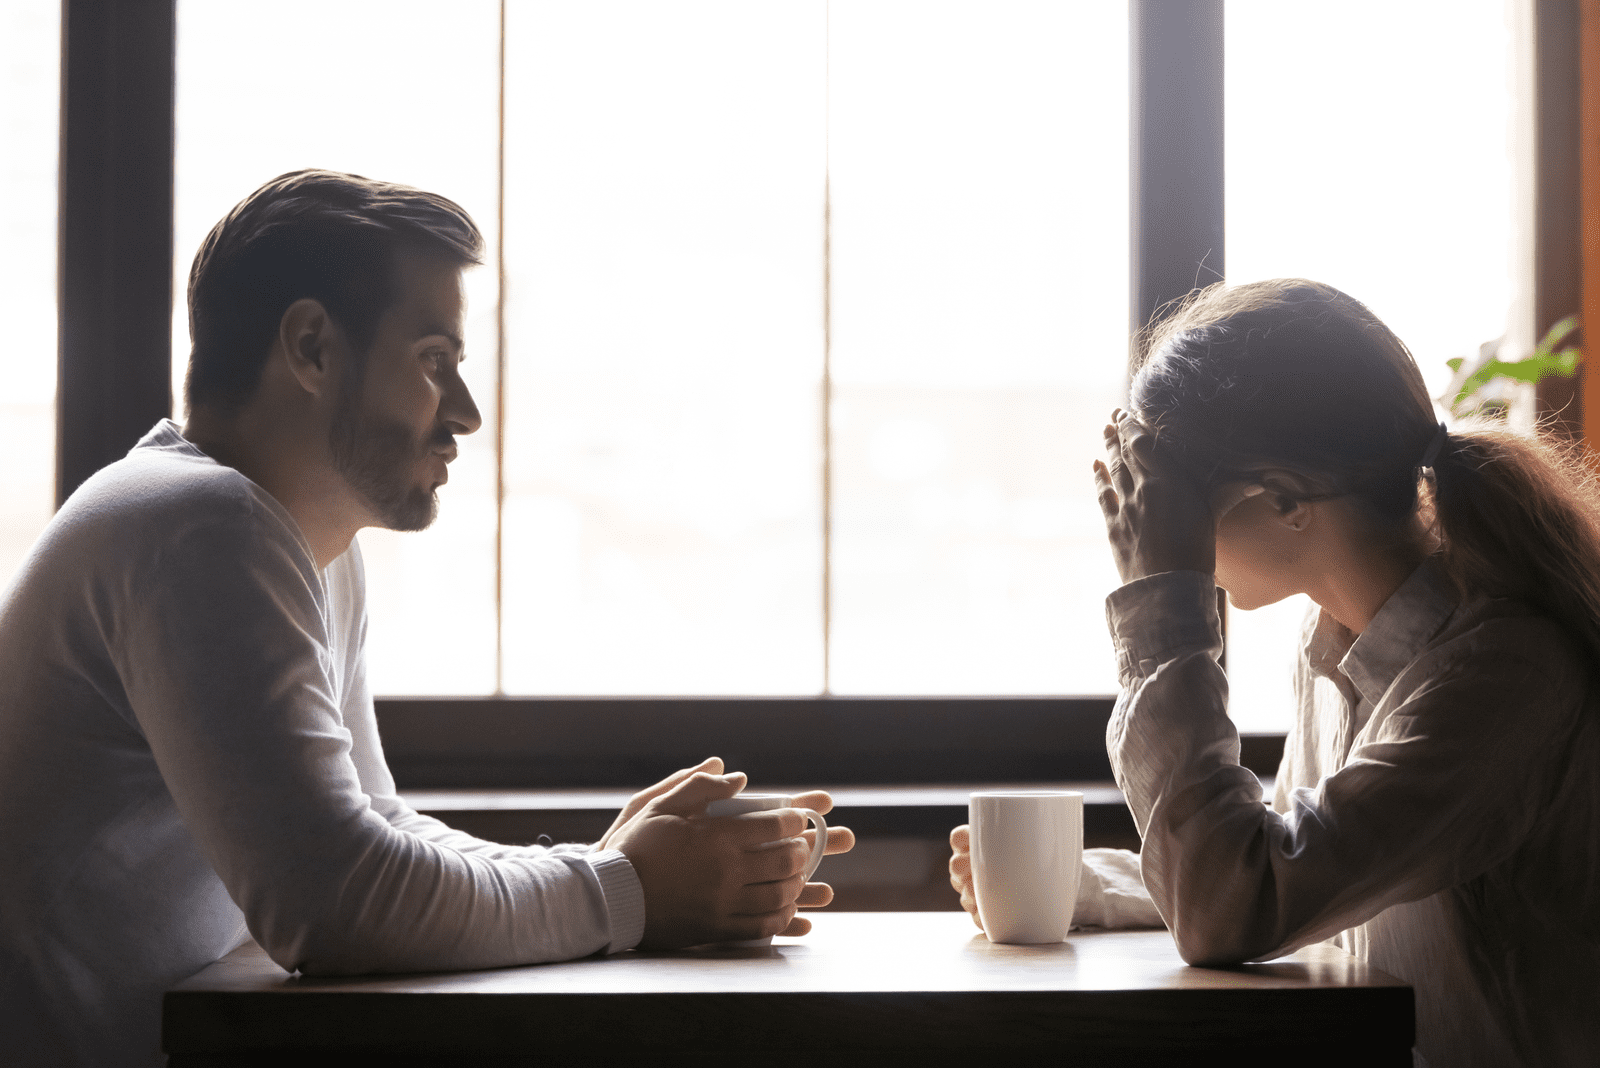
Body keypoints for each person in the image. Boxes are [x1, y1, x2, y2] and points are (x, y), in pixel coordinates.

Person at [0, 169, 852, 1068]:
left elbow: (374, 828)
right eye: (434, 361)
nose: (466, 414)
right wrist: (627, 887)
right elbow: (335, 907)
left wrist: (610, 862)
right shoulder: (200, 527)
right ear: (313, 347)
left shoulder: (298, 547)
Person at [951, 279, 1600, 1067]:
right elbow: (1290, 864)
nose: (1146, 524)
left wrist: (1162, 604)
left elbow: (1235, 906)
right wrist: (1078, 885)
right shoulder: (1333, 640)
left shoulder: (1500, 676)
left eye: (1167, 497)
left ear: (1287, 499)